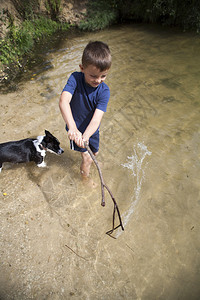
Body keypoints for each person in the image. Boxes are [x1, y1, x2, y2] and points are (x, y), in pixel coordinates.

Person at [59, 41, 112, 179]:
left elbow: (96, 119)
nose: (98, 80)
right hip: (75, 129)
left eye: (103, 76)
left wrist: (87, 136)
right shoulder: (75, 79)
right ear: (82, 68)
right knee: (87, 158)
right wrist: (73, 128)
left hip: (92, 130)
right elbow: (64, 101)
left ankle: (94, 161)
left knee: (95, 153)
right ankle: (85, 181)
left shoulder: (104, 91)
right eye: (93, 76)